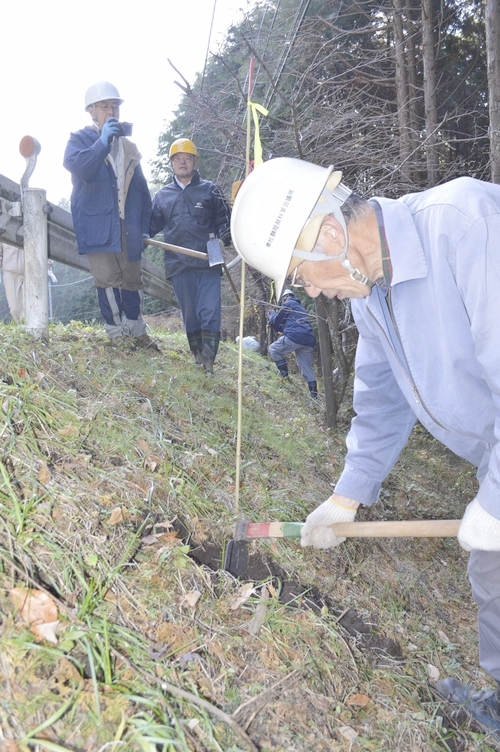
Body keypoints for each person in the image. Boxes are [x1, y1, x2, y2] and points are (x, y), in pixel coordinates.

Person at [230, 156, 500, 732]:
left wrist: (497, 500)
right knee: (493, 573)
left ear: (329, 235)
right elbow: (381, 401)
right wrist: (345, 499)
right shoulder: (370, 295)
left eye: (302, 277)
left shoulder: (466, 225)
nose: (312, 292)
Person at [63, 81, 158, 350]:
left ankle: (137, 330)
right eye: (104, 106)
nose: (111, 111)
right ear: (91, 110)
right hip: (98, 222)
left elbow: (142, 191)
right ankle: (117, 334)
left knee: (132, 278)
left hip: (128, 223)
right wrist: (102, 142)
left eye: (114, 106)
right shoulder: (79, 140)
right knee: (107, 279)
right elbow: (81, 168)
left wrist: (144, 225)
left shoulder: (128, 147)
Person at [149, 138, 231, 372]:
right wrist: (137, 234)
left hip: (207, 261)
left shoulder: (210, 190)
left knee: (210, 311)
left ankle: (209, 360)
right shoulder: (163, 196)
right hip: (178, 264)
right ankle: (197, 354)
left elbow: (225, 220)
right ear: (172, 163)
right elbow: (150, 225)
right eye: (178, 158)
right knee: (191, 315)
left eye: (187, 158)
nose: (182, 162)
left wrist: (223, 240)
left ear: (195, 162)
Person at [268, 288, 317, 398]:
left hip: (296, 336)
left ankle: (284, 375)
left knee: (274, 349)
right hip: (308, 339)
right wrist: (274, 324)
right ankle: (314, 395)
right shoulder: (299, 308)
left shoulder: (289, 303)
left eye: (282, 300)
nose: (282, 303)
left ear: (285, 298)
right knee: (306, 367)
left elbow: (276, 320)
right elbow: (282, 326)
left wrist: (271, 314)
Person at [0, 242, 24, 322]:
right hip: (10, 270)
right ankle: (21, 325)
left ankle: (31, 327)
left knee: (31, 304)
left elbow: (45, 243)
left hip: (31, 269)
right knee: (14, 307)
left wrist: (48, 268)